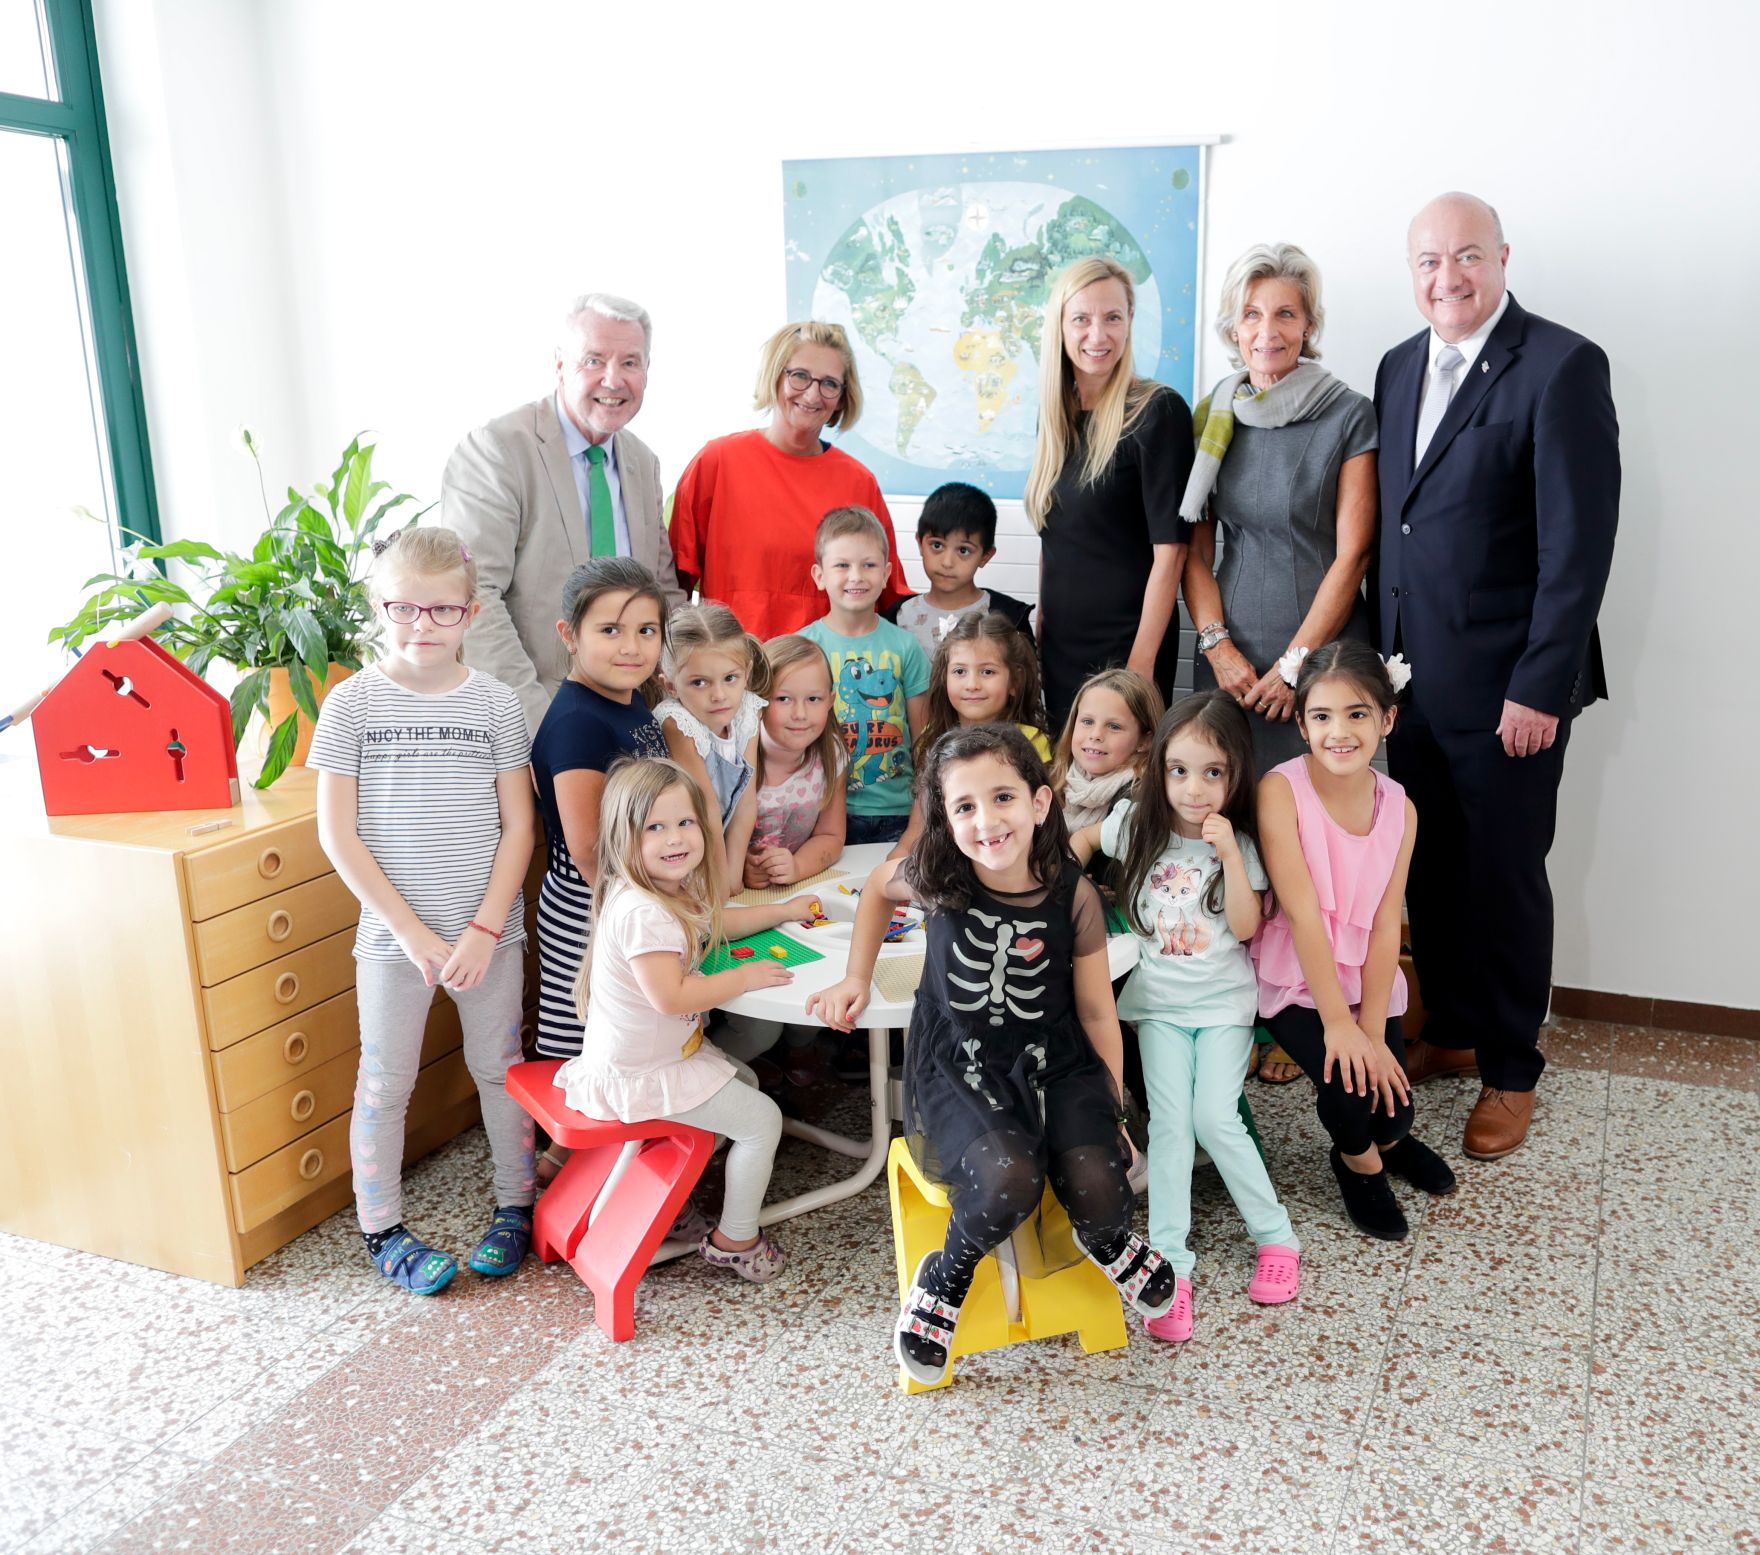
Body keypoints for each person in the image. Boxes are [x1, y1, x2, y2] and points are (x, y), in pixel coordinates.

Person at [809, 725, 1178, 1385]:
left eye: (1003, 796)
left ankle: (1107, 1242)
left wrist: (1114, 1107)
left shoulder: (1077, 896)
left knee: (1102, 1183)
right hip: (962, 1062)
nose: (987, 820)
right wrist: (855, 976)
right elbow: (873, 889)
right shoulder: (935, 879)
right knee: (1009, 1178)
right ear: (945, 822)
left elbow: (1097, 1010)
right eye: (965, 807)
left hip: (1055, 1057)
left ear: (1040, 802)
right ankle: (945, 1277)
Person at [1372, 193, 1620, 1159]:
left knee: (1508, 877)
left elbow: (1578, 548)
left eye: (1467, 257)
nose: (1448, 278)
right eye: (1429, 261)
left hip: (1511, 689)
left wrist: (1540, 685)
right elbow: (1399, 528)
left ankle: (1513, 1069)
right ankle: (1457, 1028)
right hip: (1410, 685)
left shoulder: (1561, 365)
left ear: (1503, 257)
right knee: (1429, 868)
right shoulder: (1397, 366)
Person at [309, 527, 537, 1294]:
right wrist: (409, 931)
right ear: (379, 607)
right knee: (385, 1080)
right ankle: (382, 1226)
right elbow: (336, 832)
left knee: (500, 1071)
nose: (422, 625)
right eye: (405, 608)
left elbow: (519, 827)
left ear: (470, 613)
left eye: (442, 610)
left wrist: (480, 929)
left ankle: (517, 1206)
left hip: (490, 935)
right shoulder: (352, 704)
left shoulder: (497, 704)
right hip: (391, 941)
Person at [1071, 693, 1299, 1340]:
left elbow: (1249, 926)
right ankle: (1169, 1266)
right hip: (1160, 1009)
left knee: (1214, 1118)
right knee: (1170, 1125)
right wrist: (1058, 878)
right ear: (1159, 769)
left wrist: (1229, 853)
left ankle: (1277, 1237)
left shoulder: (1242, 841)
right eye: (1178, 770)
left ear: (1235, 774)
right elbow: (1086, 835)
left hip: (1225, 1007)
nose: (1194, 788)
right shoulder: (1139, 825)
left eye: (1212, 772)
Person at [557, 759, 822, 1282]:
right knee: (762, 1120)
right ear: (622, 836)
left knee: (744, 1082)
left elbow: (718, 923)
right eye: (654, 827)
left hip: (655, 1058)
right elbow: (672, 997)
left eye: (685, 823)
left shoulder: (662, 890)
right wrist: (745, 978)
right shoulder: (644, 911)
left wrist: (783, 910)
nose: (675, 838)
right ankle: (735, 1239)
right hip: (641, 1073)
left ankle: (674, 1198)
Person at [1254, 641, 1457, 1241]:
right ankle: (1357, 1162)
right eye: (1321, 716)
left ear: (1388, 719)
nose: (1338, 732)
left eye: (1358, 714)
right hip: (1297, 970)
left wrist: (1372, 1028)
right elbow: (1307, 916)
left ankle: (1392, 1142)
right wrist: (1341, 1027)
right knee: (1349, 1098)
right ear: (1300, 723)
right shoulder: (1280, 791)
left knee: (1393, 1100)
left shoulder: (1400, 806)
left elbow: (1385, 917)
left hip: (1365, 969)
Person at [443, 293, 684, 737]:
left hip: (634, 722)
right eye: (594, 360)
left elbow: (664, 593)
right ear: (559, 364)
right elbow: (474, 597)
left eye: (630, 362)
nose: (613, 379)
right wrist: (542, 728)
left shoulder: (642, 462)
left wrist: (687, 702)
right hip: (533, 719)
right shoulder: (497, 450)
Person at [1181, 242, 1379, 774]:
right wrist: (1218, 649)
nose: (1267, 331)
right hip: (1228, 661)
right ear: (1234, 328)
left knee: (1312, 818)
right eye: (1252, 314)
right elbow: (1194, 555)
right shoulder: (1212, 415)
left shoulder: (1349, 413)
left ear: (1309, 326)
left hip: (1324, 660)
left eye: (1285, 314)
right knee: (1224, 811)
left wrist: (1296, 665)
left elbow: (1354, 555)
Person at [1025, 258, 1193, 726]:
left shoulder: (1158, 412)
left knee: (1126, 791)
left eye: (1112, 317)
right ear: (1059, 325)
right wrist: (1041, 629)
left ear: (1130, 322)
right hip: (1060, 645)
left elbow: (1172, 555)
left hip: (1127, 646)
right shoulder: (1054, 417)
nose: (1097, 335)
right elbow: (1052, 538)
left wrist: (1139, 666)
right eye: (1081, 318)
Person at [669, 321, 910, 639]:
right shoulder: (716, 463)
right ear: (775, 375)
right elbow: (672, 586)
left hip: (827, 677)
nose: (812, 394)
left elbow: (890, 597)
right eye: (799, 376)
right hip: (731, 671)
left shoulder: (858, 482)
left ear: (841, 398)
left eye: (829, 384)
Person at [529, 559, 669, 1078]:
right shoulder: (577, 723)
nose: (631, 647)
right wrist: (644, 915)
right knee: (587, 1047)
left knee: (628, 1041)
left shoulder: (629, 702)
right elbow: (588, 850)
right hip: (591, 910)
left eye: (646, 631)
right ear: (570, 634)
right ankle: (562, 1156)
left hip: (631, 898)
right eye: (610, 630)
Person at [799, 506, 930, 847]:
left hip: (898, 812)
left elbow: (923, 741)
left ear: (886, 573)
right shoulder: (805, 647)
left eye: (868, 565)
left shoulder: (905, 646)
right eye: (842, 565)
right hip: (823, 813)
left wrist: (921, 812)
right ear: (819, 575)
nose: (856, 576)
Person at [889, 611, 1053, 857]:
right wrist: (892, 866)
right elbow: (918, 828)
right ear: (944, 678)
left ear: (1014, 682)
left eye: (987, 672)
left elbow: (1046, 822)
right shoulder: (935, 740)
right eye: (959, 672)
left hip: (1011, 863)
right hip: (947, 866)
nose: (972, 684)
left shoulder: (1031, 741)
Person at [652, 603, 768, 880]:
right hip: (681, 856)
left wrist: (735, 875)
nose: (719, 695)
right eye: (700, 683)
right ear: (670, 686)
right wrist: (722, 883)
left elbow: (745, 802)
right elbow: (705, 808)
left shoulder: (747, 712)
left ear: (747, 673)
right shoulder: (677, 723)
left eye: (730, 678)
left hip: (718, 849)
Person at [744, 634, 847, 891]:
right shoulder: (734, 759)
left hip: (798, 888)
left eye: (813, 699)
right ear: (758, 701)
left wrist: (797, 866)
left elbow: (831, 836)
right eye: (783, 699)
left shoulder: (831, 755)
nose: (800, 714)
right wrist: (739, 867)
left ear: (830, 701)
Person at [887, 481, 1032, 657]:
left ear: (985, 556)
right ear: (920, 543)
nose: (947, 562)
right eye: (937, 545)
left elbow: (1027, 680)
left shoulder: (1008, 618)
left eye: (963, 550)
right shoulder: (897, 618)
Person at [1050, 667, 1164, 833]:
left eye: (1114, 726)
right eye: (1087, 721)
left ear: (1145, 740)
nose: (1096, 735)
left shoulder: (1141, 798)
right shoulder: (1057, 782)